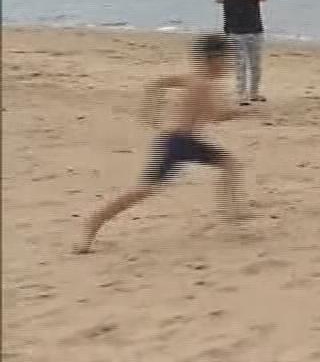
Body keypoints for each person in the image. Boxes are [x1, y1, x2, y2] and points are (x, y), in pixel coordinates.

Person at [75, 34, 245, 252]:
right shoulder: (204, 85)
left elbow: (157, 83)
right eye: (228, 60)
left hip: (182, 141)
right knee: (143, 191)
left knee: (229, 164)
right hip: (179, 144)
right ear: (215, 60)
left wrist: (148, 111)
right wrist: (244, 112)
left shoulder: (193, 78)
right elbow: (216, 116)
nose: (230, 65)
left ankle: (233, 212)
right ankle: (93, 222)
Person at [216, 0, 268, 104]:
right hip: (235, 31)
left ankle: (254, 92)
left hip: (254, 30)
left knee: (255, 64)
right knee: (240, 64)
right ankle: (241, 93)